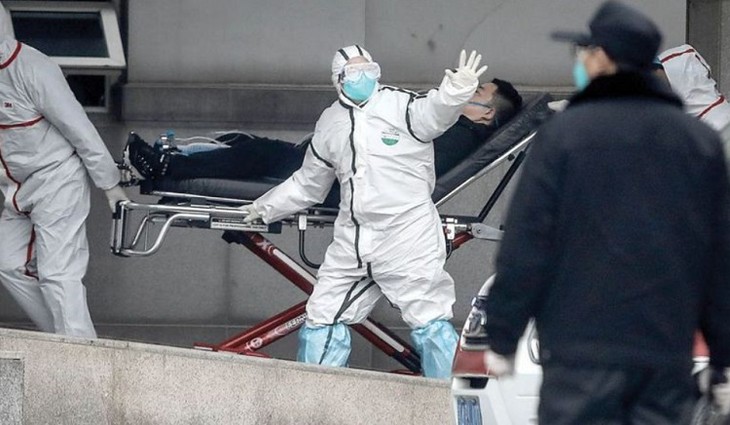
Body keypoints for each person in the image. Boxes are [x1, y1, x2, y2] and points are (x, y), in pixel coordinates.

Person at [480, 1, 730, 424]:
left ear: (603, 58)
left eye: (584, 51)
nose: (580, 61)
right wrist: (722, 357)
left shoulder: (564, 136)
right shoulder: (697, 143)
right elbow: (716, 259)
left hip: (581, 354)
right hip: (663, 356)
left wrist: (503, 334)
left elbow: (527, 242)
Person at [228, 45, 487, 379]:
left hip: (406, 235)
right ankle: (315, 400)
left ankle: (449, 401)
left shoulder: (400, 106)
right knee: (322, 317)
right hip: (353, 238)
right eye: (355, 72)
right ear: (338, 79)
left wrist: (456, 90)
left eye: (370, 70)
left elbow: (436, 113)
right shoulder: (330, 123)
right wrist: (263, 209)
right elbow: (309, 184)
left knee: (429, 319)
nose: (365, 77)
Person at [0, 3, 129, 337]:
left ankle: (80, 356)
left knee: (59, 274)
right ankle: (62, 342)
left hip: (58, 181)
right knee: (7, 263)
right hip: (15, 189)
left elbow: (80, 129)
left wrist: (109, 185)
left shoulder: (33, 68)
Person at [126, 79, 522, 183]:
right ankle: (171, 160)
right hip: (344, 171)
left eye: (476, 92)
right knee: (253, 148)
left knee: (258, 154)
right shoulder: (450, 127)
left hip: (347, 181)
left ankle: (168, 168)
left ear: (486, 114)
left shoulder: (457, 136)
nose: (465, 91)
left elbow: (406, 166)